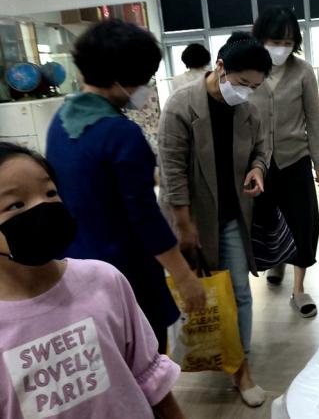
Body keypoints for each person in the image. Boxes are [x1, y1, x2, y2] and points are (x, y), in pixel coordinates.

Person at [46, 19, 206, 355]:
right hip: (125, 273)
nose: (145, 88)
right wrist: (183, 276)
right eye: (143, 79)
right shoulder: (121, 134)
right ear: (120, 79)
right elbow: (144, 216)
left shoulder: (59, 123)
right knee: (145, 360)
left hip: (75, 269)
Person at [0, 142, 186, 419]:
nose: (42, 207)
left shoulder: (104, 281)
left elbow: (149, 375)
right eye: (15, 204)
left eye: (50, 192)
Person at [158, 32, 271, 407]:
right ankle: (207, 356)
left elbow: (262, 147)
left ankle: (242, 367)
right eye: (242, 82)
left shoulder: (248, 109)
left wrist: (257, 169)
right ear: (220, 67)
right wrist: (184, 225)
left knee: (239, 291)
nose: (246, 92)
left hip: (232, 214)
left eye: (254, 86)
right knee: (197, 292)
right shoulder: (181, 105)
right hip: (191, 217)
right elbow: (172, 171)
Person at [250, 6, 319, 318]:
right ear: (261, 39)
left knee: (302, 222)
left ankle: (298, 289)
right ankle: (275, 262)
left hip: (295, 158)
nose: (281, 48)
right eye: (274, 41)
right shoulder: (250, 69)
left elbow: (314, 119)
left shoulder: (303, 71)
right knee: (266, 219)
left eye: (287, 42)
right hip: (258, 163)